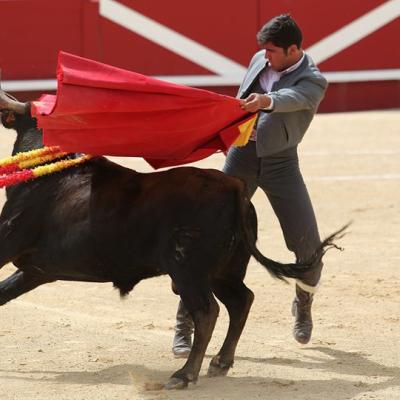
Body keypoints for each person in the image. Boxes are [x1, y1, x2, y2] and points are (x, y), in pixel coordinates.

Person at [172, 13, 328, 357]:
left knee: (308, 248)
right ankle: (185, 320)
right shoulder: (261, 58)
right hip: (242, 156)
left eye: (272, 51)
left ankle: (303, 303)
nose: (265, 56)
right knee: (206, 236)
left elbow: (292, 99)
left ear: (293, 50)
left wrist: (265, 101)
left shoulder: (315, 81)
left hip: (281, 164)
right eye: (264, 50)